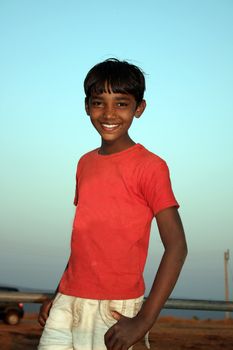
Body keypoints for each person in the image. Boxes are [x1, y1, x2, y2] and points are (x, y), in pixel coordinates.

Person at [38, 58, 187, 350]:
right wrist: (58, 295)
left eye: (121, 103)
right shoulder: (84, 163)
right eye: (98, 102)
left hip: (116, 309)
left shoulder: (150, 166)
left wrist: (144, 320)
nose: (108, 113)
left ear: (139, 108)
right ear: (86, 106)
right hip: (68, 302)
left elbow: (177, 246)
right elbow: (85, 241)